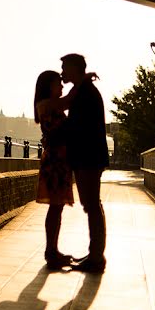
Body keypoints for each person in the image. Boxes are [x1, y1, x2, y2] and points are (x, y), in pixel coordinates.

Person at [33, 69, 96, 269]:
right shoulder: (46, 104)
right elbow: (70, 99)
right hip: (55, 162)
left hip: (59, 160)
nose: (61, 86)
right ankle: (50, 251)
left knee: (57, 207)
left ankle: (53, 249)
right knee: (55, 206)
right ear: (48, 86)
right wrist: (81, 81)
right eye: (58, 83)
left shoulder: (52, 105)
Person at [60, 53, 109, 273]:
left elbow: (78, 126)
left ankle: (97, 257)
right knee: (92, 205)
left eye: (64, 67)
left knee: (92, 205)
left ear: (74, 68)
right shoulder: (83, 90)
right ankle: (95, 254)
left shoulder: (85, 93)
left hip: (87, 157)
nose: (62, 72)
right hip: (90, 156)